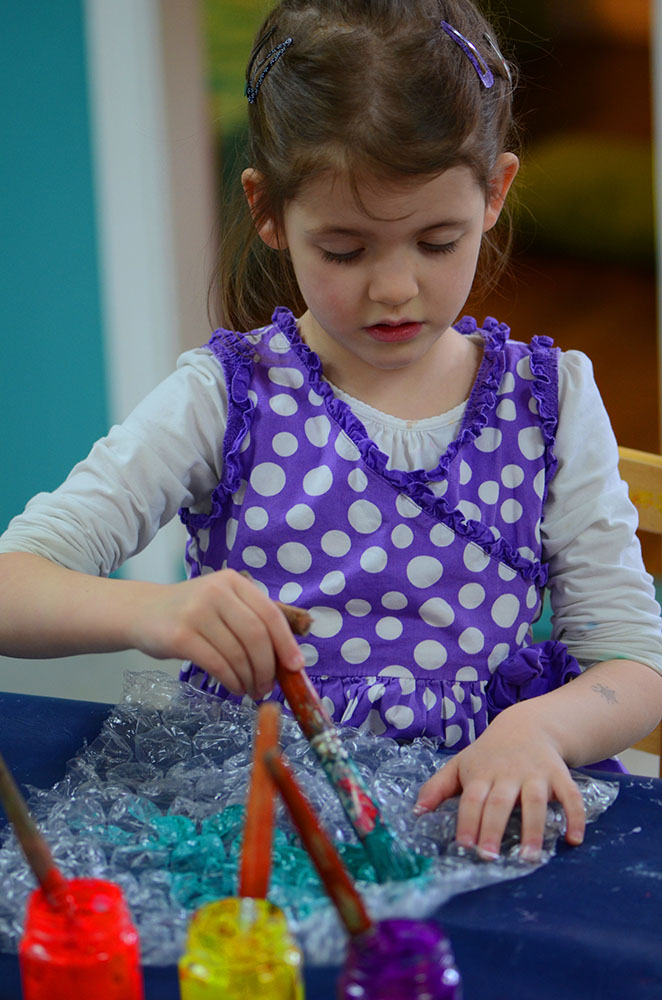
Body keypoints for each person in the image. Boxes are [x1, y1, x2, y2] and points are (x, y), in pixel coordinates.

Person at [1, 0, 661, 866]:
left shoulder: (552, 401)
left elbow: (632, 660)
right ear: (269, 211)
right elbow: (15, 586)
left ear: (496, 192)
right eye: (346, 250)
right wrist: (151, 610)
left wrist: (543, 730)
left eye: (436, 241)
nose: (395, 289)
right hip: (260, 824)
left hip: (480, 808)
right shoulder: (224, 399)